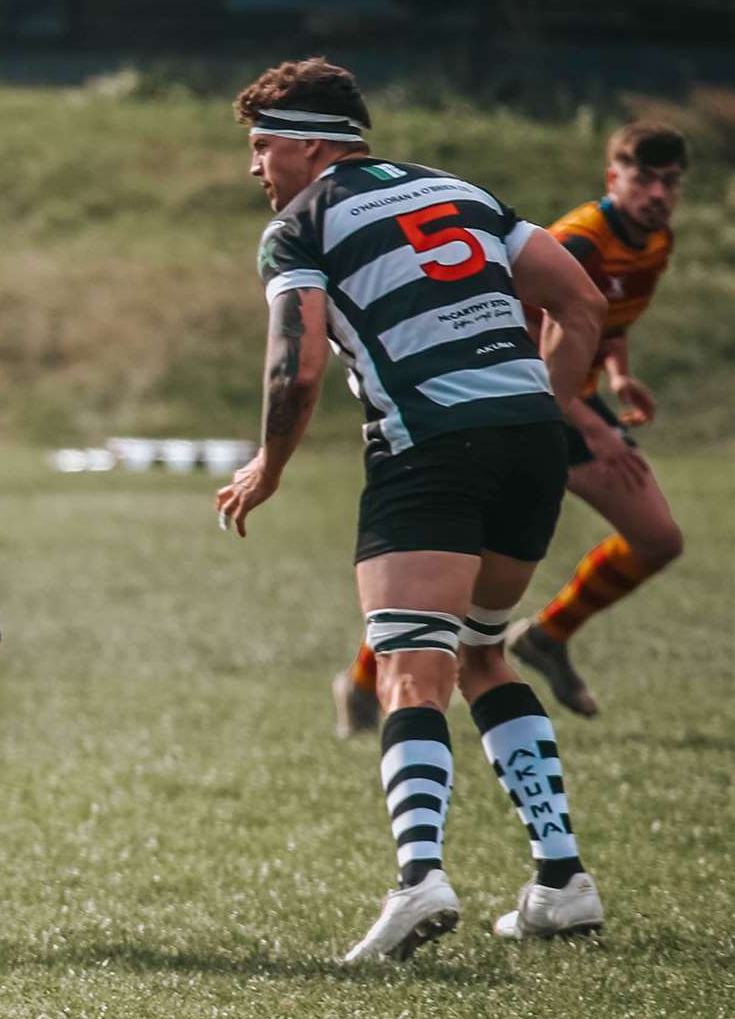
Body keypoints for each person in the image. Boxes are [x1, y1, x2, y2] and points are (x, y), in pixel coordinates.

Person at [215, 58, 608, 959]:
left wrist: (269, 466)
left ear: (312, 142)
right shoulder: (461, 191)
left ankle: (419, 881)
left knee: (406, 668)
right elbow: (580, 300)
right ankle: (560, 882)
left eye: (263, 144)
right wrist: (538, 410)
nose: (254, 167)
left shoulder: (298, 225)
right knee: (480, 651)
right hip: (526, 445)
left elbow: (296, 365)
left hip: (430, 450)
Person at [330, 122, 690, 730]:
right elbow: (544, 339)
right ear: (613, 179)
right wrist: (594, 430)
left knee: (658, 539)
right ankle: (367, 681)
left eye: (670, 183)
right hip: (515, 396)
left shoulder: (653, 242)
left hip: (571, 396)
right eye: (644, 179)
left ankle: (547, 638)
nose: (657, 194)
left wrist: (621, 378)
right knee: (455, 561)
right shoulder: (580, 241)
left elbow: (611, 321)